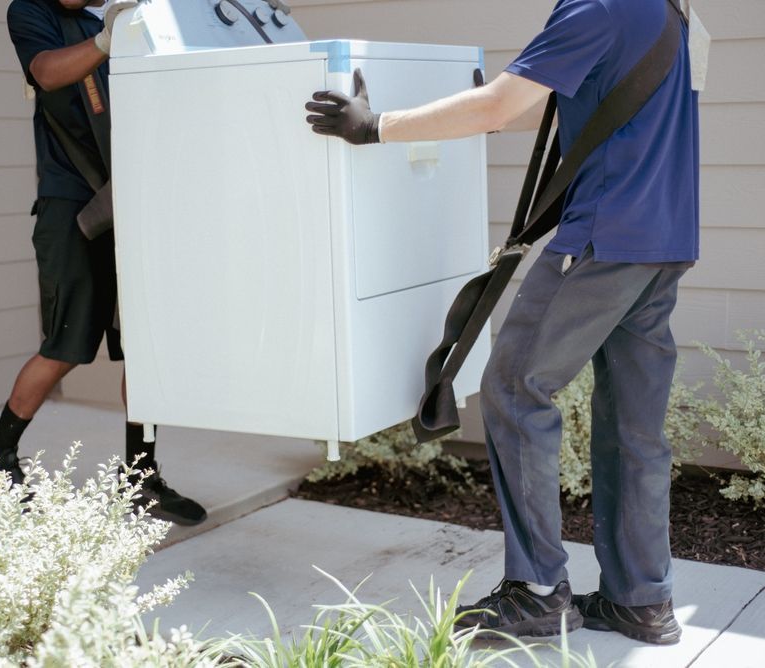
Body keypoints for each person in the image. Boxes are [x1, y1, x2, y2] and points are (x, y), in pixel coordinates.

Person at [306, 0, 698, 645]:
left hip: (603, 239)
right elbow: (578, 105)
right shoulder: (666, 10)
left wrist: (373, 125)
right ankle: (640, 599)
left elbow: (500, 105)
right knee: (635, 425)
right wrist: (477, 109)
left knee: (516, 389)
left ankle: (539, 591)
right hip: (665, 238)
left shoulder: (595, 7)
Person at [0, 0, 207, 526]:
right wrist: (102, 44)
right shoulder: (31, 13)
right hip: (69, 208)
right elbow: (47, 72)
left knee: (143, 352)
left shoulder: (118, 21)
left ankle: (139, 478)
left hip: (128, 202)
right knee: (65, 346)